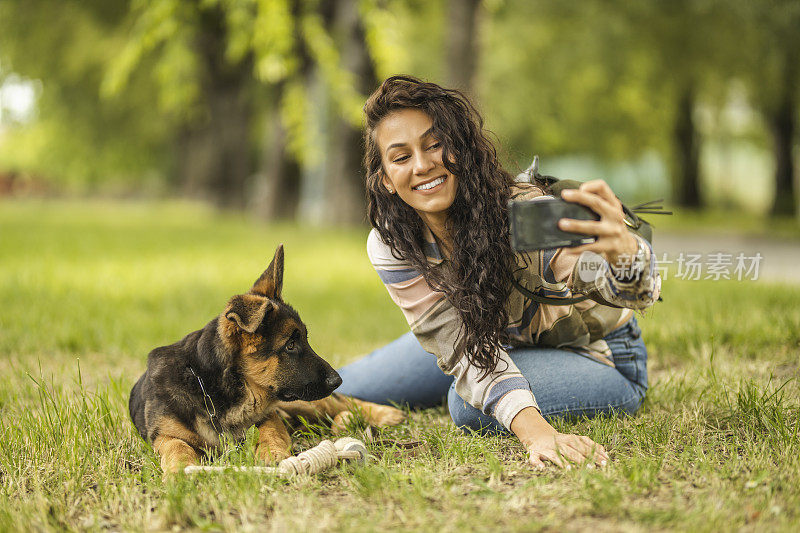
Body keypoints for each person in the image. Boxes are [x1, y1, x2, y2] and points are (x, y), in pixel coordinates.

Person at [337, 75, 661, 470]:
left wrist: (626, 255)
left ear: (461, 147)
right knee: (339, 388)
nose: (422, 165)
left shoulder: (525, 216)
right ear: (386, 178)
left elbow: (622, 289)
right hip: (486, 339)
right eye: (401, 157)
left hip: (600, 357)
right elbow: (459, 347)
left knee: (466, 407)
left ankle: (503, 391)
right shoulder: (392, 243)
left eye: (435, 144)